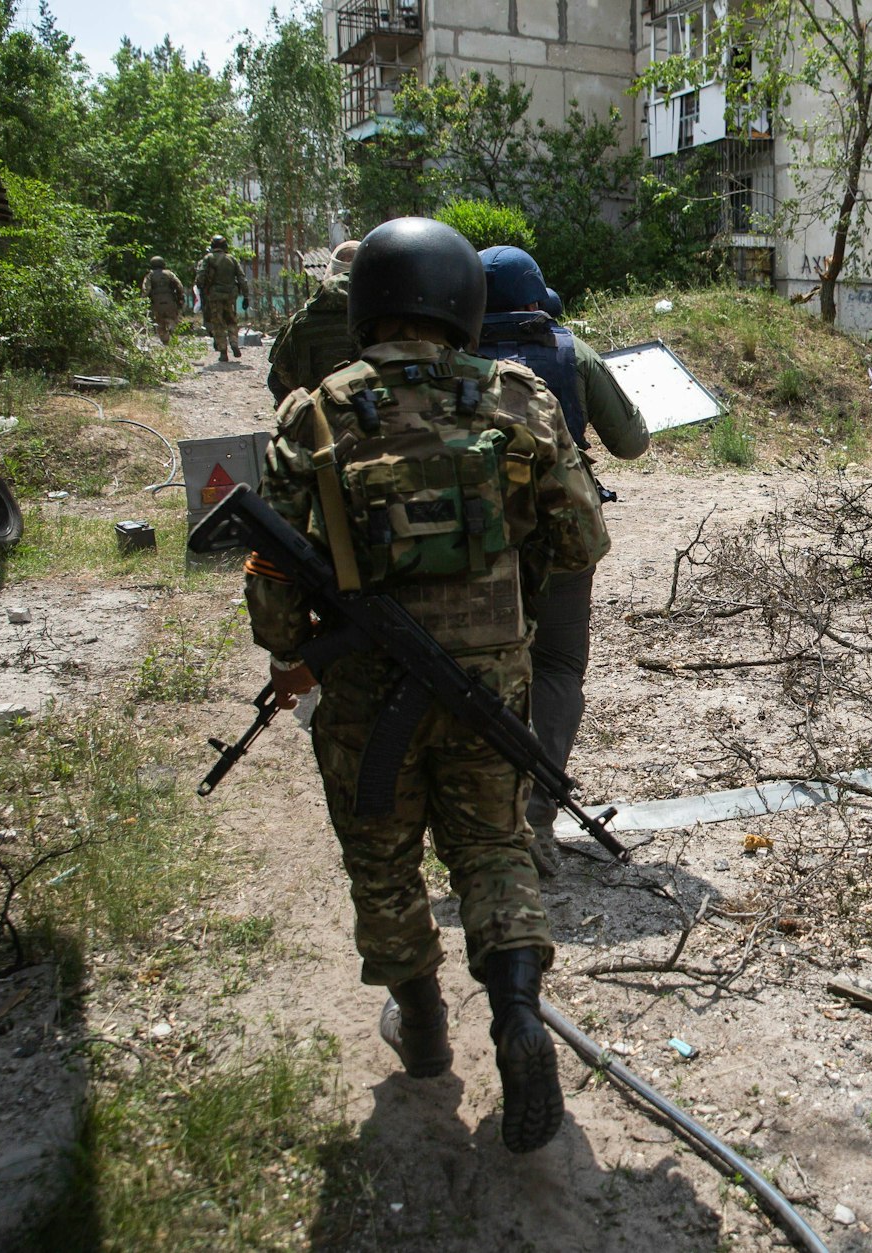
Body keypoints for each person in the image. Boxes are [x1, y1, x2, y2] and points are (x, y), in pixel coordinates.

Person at [246, 217, 592, 1154]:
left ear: (368, 304)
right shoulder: (517, 398)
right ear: (461, 301)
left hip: (363, 685)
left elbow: (272, 576)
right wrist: (505, 602)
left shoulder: (311, 416)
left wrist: (295, 654)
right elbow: (579, 542)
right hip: (489, 683)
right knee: (492, 847)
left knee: (383, 858)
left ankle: (427, 1031)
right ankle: (517, 1011)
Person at [477, 245, 648, 876]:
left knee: (473, 672)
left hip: (469, 546)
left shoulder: (448, 360)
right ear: (534, 299)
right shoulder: (570, 352)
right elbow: (631, 443)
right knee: (555, 669)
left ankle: (477, 820)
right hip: (560, 540)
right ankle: (537, 817)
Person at [266, 239, 362, 404]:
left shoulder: (300, 322)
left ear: (330, 273)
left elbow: (278, 381)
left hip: (317, 420)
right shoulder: (386, 322)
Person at [194, 234, 248, 363]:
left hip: (214, 296)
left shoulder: (208, 258)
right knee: (231, 320)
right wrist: (246, 295)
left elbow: (201, 276)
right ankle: (234, 343)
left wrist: (201, 287)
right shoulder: (232, 259)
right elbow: (242, 278)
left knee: (218, 323)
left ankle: (223, 351)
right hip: (231, 295)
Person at [141, 256, 185, 344]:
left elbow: (146, 290)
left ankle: (165, 340)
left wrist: (143, 302)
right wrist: (180, 297)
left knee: (159, 323)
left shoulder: (150, 275)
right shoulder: (169, 274)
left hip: (156, 303)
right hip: (170, 301)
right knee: (172, 319)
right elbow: (179, 286)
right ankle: (172, 330)